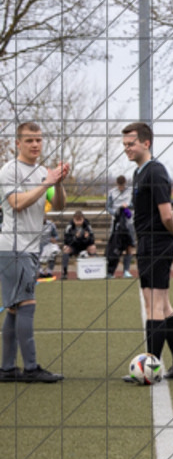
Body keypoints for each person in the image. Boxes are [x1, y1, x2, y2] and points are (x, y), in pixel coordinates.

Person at [121, 122, 173, 381]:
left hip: (156, 245)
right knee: (164, 306)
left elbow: (167, 214)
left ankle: (149, 370)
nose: (127, 148)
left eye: (131, 144)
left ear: (146, 143)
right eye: (124, 145)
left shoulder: (156, 171)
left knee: (154, 306)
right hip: (148, 243)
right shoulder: (139, 173)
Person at [0, 121, 69, 382]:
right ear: (18, 143)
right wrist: (45, 183)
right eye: (29, 140)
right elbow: (16, 203)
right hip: (14, 247)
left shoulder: (42, 171)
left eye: (38, 139)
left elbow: (58, 205)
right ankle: (30, 369)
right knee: (27, 305)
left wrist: (57, 183)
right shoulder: (9, 170)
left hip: (29, 249)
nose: (35, 144)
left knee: (14, 308)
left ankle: (7, 369)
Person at [106, 175, 136, 278]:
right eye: (119, 186)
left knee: (129, 246)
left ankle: (126, 271)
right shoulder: (112, 192)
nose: (121, 188)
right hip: (116, 224)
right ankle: (111, 272)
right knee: (115, 246)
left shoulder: (131, 191)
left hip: (129, 222)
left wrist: (128, 206)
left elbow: (135, 203)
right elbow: (108, 207)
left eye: (122, 186)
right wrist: (116, 213)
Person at [61, 210, 98, 279]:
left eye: (80, 220)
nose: (78, 222)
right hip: (74, 246)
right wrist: (75, 237)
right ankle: (64, 272)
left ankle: (94, 271)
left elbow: (92, 240)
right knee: (66, 249)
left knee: (93, 248)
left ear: (83, 219)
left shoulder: (87, 226)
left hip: (84, 245)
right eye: (76, 220)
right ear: (73, 219)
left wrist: (87, 238)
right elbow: (66, 241)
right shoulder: (69, 227)